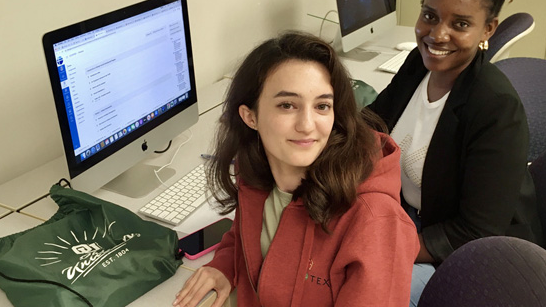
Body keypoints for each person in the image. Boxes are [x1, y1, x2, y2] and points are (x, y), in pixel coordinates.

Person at [366, 0, 542, 305]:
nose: (436, 34)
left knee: (370, 293)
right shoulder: (419, 63)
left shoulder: (497, 109)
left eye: (460, 23)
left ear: (488, 30)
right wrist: (317, 120)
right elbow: (373, 123)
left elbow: (474, 233)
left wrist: (387, 244)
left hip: (475, 259)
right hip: (413, 223)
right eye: (429, 15)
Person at [174, 32, 418, 307]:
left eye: (322, 106)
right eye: (287, 105)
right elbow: (245, 237)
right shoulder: (258, 168)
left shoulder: (374, 220)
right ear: (250, 117)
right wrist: (224, 266)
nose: (307, 124)